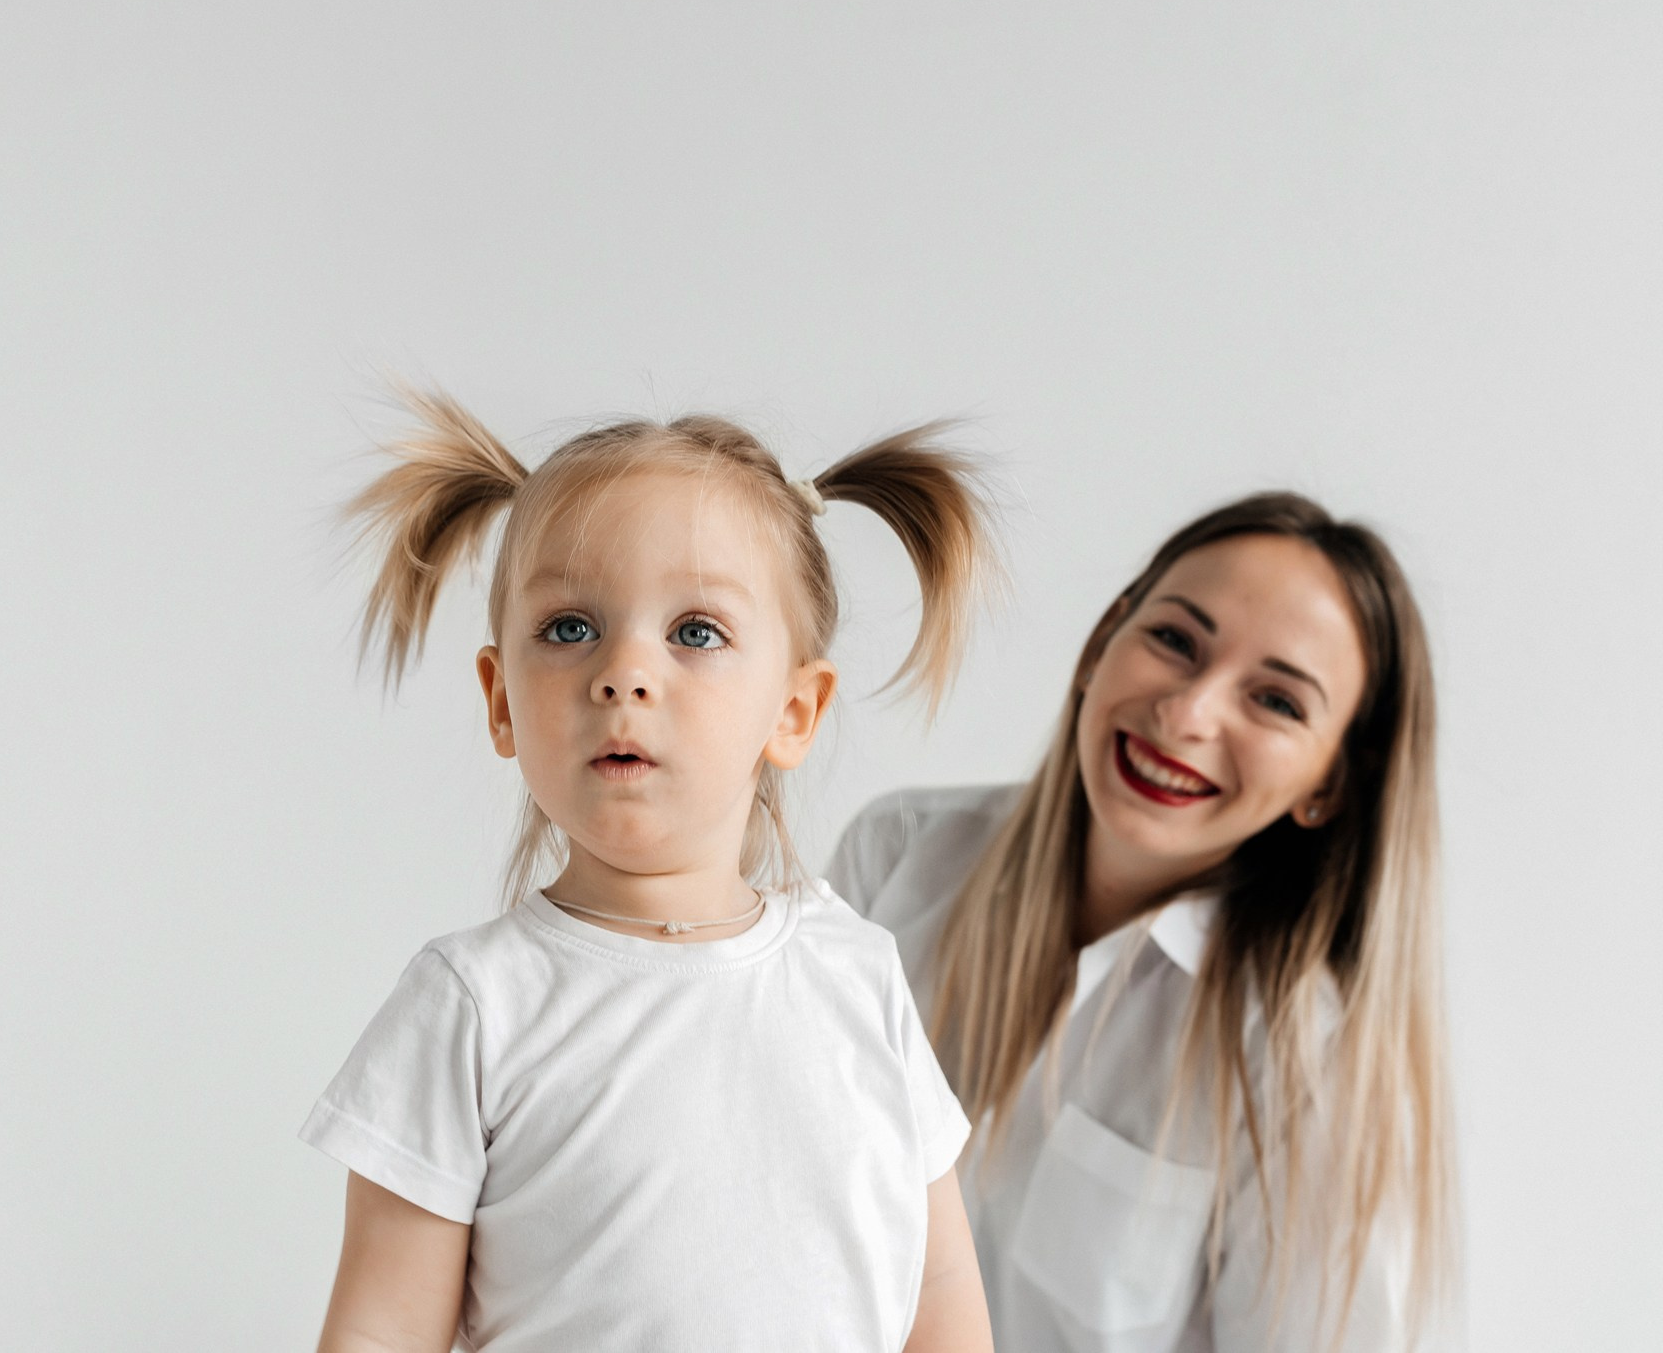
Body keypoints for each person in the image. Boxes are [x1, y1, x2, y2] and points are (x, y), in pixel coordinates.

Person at [305, 388, 999, 1352]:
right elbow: (381, 1333)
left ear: (794, 710)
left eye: (696, 632)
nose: (623, 672)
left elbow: (943, 1290)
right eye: (569, 627)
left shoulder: (860, 976)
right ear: (501, 701)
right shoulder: (473, 1006)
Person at [828, 493, 1457, 1353]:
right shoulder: (895, 857)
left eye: (1276, 701)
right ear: (1101, 644)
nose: (1188, 713)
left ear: (1329, 784)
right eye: (1174, 640)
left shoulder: (1308, 1065)